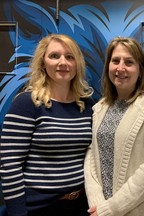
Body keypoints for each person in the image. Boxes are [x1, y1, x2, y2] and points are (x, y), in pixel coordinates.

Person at [0, 34, 95, 216]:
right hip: (39, 208)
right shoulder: (27, 103)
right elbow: (10, 165)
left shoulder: (87, 105)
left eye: (70, 57)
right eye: (54, 56)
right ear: (43, 63)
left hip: (81, 205)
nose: (63, 62)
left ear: (77, 64)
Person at [84, 37, 144, 216]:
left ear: (140, 69)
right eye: (115, 60)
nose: (120, 68)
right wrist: (98, 203)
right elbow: (91, 155)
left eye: (129, 62)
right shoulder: (100, 107)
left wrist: (112, 208)